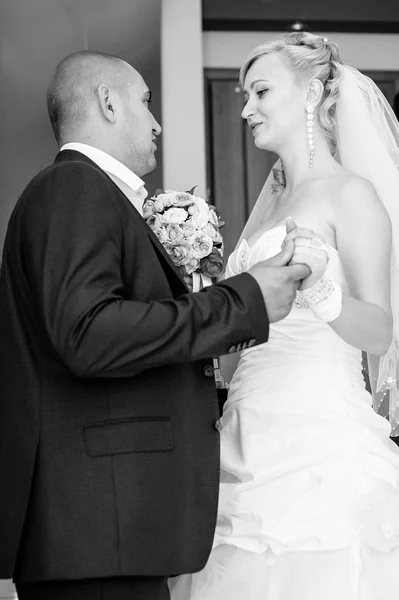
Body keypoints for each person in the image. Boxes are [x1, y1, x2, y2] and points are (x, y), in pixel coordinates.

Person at [0, 51, 310, 600]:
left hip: (108, 535)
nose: (157, 120)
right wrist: (245, 300)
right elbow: (88, 334)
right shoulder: (73, 189)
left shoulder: (85, 194)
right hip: (96, 533)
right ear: (108, 102)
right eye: (145, 101)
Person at [169, 32, 399, 599]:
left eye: (261, 91)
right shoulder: (269, 201)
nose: (247, 108)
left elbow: (380, 330)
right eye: (245, 95)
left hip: (316, 439)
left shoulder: (352, 194)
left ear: (311, 92)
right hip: (244, 426)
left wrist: (325, 296)